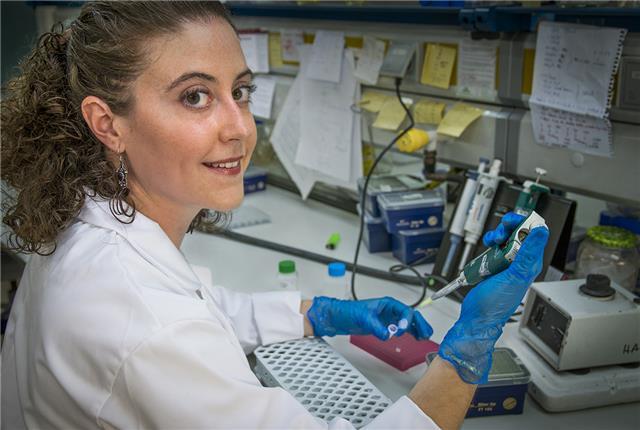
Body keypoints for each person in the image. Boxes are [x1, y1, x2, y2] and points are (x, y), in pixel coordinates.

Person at [0, 2, 549, 429]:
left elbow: (206, 310)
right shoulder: (144, 323)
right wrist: (470, 343)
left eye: (240, 91)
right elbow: (164, 330)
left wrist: (323, 313)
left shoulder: (95, 227)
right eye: (195, 96)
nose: (239, 126)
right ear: (107, 123)